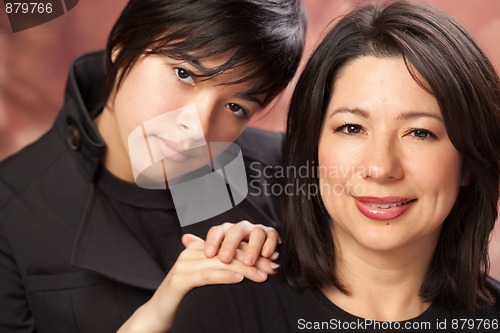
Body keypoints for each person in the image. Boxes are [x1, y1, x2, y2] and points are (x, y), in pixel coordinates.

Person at [170, 1, 500, 332]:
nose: (381, 167)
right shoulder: (228, 306)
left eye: (420, 132)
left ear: (469, 163)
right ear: (312, 149)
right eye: (352, 128)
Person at [0, 0, 306, 332]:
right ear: (123, 46)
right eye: (184, 74)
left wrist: (291, 257)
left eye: (235, 106)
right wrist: (155, 314)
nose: (199, 128)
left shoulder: (286, 169)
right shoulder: (12, 211)